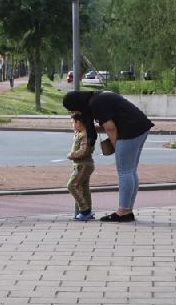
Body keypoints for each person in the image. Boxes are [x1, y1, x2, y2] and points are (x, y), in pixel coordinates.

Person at [62, 89, 154, 222]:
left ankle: (123, 212)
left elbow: (110, 128)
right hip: (140, 126)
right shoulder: (99, 96)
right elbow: (108, 124)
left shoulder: (96, 102)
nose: (74, 113)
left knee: (125, 171)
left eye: (73, 110)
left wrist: (117, 146)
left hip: (130, 131)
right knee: (130, 171)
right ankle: (127, 210)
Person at [66, 111, 96, 222]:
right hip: (81, 165)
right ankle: (88, 210)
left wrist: (71, 155)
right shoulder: (80, 133)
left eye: (73, 122)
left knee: (72, 185)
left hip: (83, 165)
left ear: (78, 122)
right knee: (84, 188)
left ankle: (85, 210)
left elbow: (83, 151)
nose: (72, 125)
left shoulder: (84, 134)